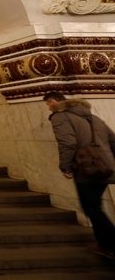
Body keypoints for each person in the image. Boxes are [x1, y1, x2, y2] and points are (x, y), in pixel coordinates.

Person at [44, 91, 115, 259]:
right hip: (105, 167)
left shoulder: (60, 117)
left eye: (47, 104)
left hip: (86, 168)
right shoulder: (93, 118)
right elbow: (113, 140)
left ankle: (110, 244)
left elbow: (67, 143)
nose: (48, 107)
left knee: (91, 208)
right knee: (95, 206)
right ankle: (104, 245)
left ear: (53, 102)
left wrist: (65, 167)